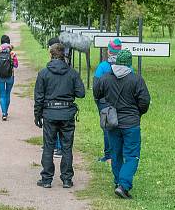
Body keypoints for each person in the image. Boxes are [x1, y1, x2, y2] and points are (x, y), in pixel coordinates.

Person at [93, 50, 151, 199]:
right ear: (129, 63)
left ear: (117, 61)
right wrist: (138, 113)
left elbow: (97, 93)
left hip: (112, 122)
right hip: (131, 123)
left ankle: (118, 181)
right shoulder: (136, 79)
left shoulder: (105, 78)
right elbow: (144, 101)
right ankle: (123, 185)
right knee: (131, 155)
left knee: (116, 154)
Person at [34, 42, 85, 188]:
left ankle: (46, 179)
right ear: (64, 55)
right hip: (67, 113)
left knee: (48, 146)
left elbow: (39, 97)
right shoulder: (72, 73)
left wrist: (37, 116)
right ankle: (67, 179)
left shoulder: (44, 73)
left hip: (49, 114)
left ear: (51, 54)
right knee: (67, 147)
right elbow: (81, 93)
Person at [93, 38, 121, 162]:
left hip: (105, 102)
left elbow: (96, 85)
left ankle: (108, 154)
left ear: (109, 52)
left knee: (107, 127)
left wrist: (97, 99)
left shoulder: (103, 66)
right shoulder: (127, 66)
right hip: (122, 101)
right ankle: (119, 152)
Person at [0, 35, 19, 121]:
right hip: (10, 76)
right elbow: (16, 65)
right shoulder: (11, 53)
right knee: (7, 94)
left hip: (0, 77)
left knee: (2, 95)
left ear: (1, 42)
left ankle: (4, 113)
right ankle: (6, 112)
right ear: (9, 42)